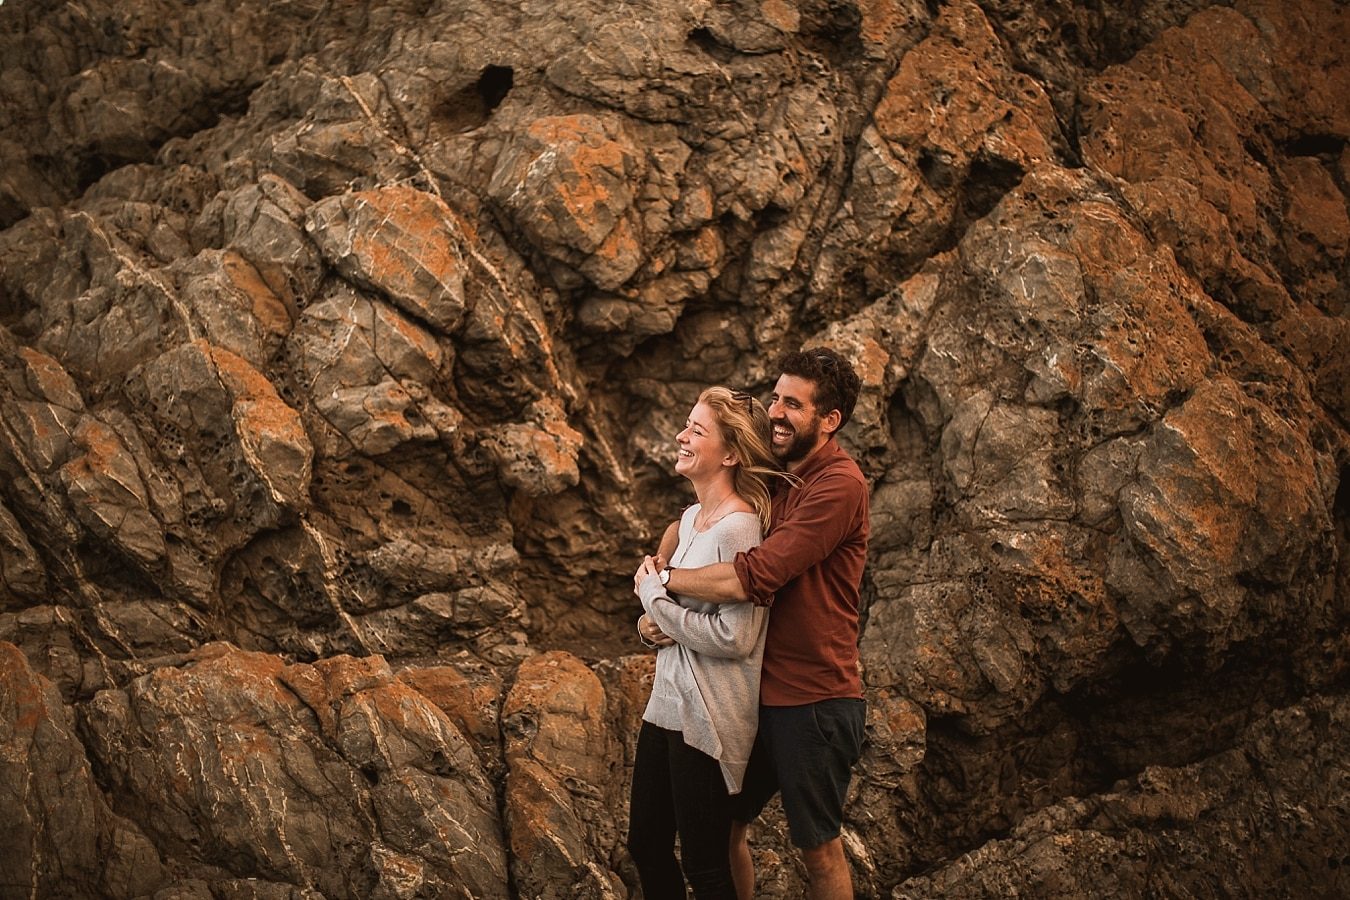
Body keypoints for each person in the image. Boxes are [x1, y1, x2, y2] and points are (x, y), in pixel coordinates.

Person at [635, 347, 868, 900]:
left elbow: (753, 577)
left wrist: (661, 584)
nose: (777, 412)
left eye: (793, 403)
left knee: (818, 847)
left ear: (829, 420)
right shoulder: (781, 483)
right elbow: (693, 527)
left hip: (811, 697)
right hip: (753, 696)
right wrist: (656, 610)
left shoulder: (839, 485)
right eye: (776, 397)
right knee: (727, 833)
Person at [626, 385, 785, 900]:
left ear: (732, 453)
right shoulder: (690, 521)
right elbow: (665, 620)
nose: (682, 435)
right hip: (666, 706)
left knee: (705, 865)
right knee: (645, 845)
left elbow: (735, 637)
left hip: (710, 718)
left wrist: (655, 600)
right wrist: (651, 626)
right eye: (687, 425)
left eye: (697, 430)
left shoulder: (739, 528)